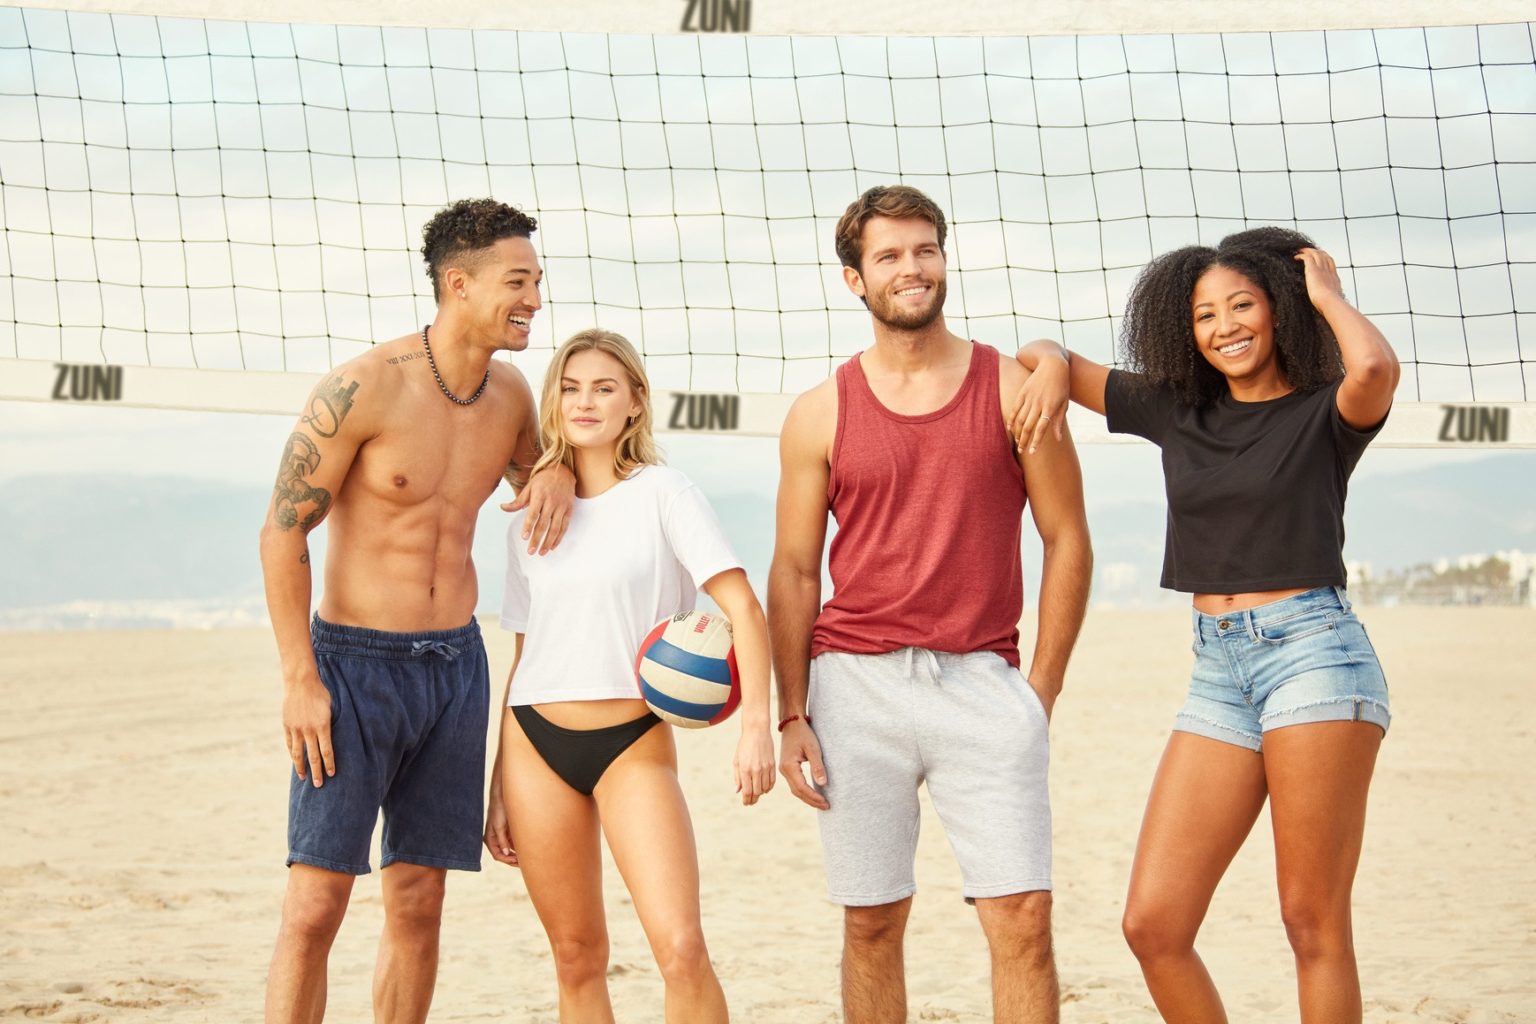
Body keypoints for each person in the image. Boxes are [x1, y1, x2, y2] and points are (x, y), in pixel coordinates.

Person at [1010, 227, 1397, 1024]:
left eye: (1243, 305)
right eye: (1204, 315)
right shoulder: (1176, 409)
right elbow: (1042, 350)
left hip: (1314, 656)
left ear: (1280, 310)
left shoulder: (1328, 415)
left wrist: (1326, 295)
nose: (1225, 327)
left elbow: (1375, 368)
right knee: (1153, 924)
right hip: (1218, 669)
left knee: (1310, 920)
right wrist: (1049, 363)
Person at [769, 184, 1093, 1024]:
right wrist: (791, 711)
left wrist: (1040, 692)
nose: (910, 268)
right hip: (854, 690)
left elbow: (1068, 539)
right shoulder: (819, 412)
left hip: (984, 685)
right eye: (888, 256)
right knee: (872, 923)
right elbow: (796, 571)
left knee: (1022, 920)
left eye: (924, 250)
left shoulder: (1018, 388)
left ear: (944, 259)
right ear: (854, 280)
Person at [258, 198, 576, 1024]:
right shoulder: (364, 387)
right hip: (352, 667)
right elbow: (282, 532)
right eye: (518, 281)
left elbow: (556, 485)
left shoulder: (510, 399)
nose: (535, 298)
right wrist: (301, 678)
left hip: (454, 670)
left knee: (418, 901)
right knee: (316, 903)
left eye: (538, 281)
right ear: (458, 284)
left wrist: (555, 471)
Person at [484, 328, 776, 1024]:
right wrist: (499, 778)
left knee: (680, 948)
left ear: (635, 405)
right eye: (571, 386)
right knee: (577, 957)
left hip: (630, 742)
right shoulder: (526, 521)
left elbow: (741, 605)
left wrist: (757, 725)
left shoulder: (664, 494)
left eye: (605, 388)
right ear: (553, 400)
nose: (585, 402)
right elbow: (525, 655)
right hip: (534, 744)